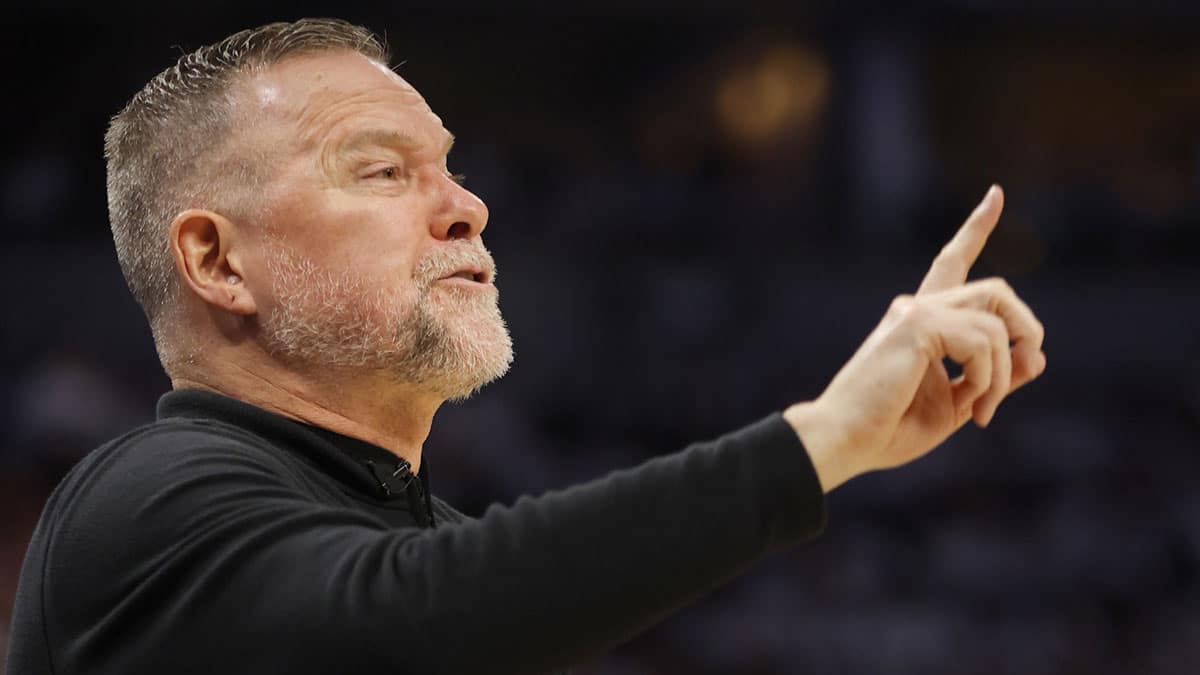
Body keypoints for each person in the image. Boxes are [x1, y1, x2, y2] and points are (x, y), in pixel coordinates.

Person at [5, 18, 1046, 675]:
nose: (467, 205)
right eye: (379, 172)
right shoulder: (143, 503)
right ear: (216, 260)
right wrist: (820, 441)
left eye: (451, 169)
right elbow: (417, 621)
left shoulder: (414, 545)